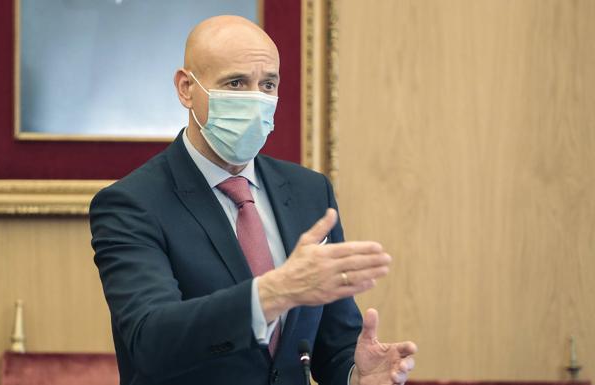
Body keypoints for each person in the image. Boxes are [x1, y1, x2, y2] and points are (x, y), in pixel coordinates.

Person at [90, 15, 417, 385]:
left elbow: (331, 344)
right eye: (236, 83)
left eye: (268, 84)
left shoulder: (310, 191)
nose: (256, 99)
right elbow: (150, 341)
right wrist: (275, 292)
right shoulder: (131, 203)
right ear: (186, 88)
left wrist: (356, 375)